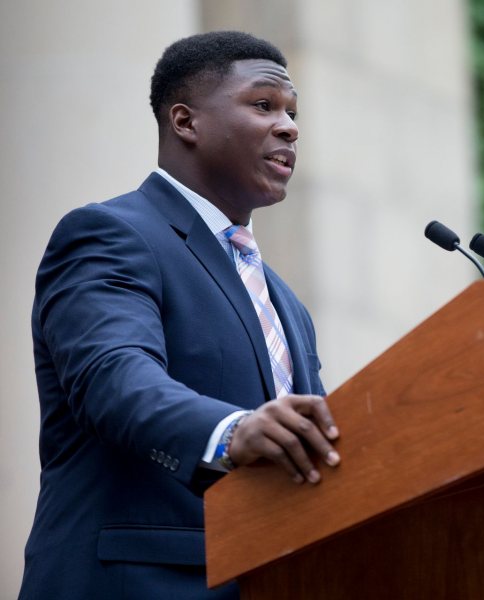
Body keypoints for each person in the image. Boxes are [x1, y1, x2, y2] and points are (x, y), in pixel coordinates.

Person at [20, 31, 340, 599]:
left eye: (293, 113)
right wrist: (229, 432)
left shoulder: (283, 300)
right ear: (186, 122)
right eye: (264, 105)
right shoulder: (111, 234)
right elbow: (114, 379)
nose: (290, 126)